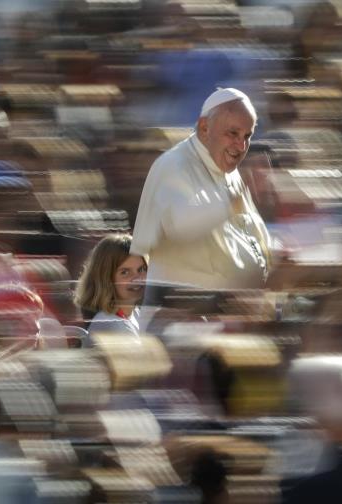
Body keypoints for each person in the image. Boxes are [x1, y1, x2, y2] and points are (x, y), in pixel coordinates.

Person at [131, 88, 272, 311]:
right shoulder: (174, 166)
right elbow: (181, 225)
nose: (241, 146)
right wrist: (232, 201)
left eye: (247, 136)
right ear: (205, 128)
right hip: (179, 313)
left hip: (232, 308)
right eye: (233, 134)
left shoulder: (230, 172)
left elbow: (255, 238)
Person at [74, 233, 147, 337]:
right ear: (106, 278)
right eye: (125, 272)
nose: (137, 279)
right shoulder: (108, 324)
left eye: (141, 269)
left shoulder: (134, 313)